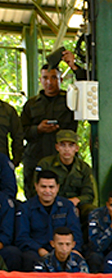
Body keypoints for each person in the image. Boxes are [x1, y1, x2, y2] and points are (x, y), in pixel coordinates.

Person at [20, 63, 76, 191]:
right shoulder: (31, 104)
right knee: (33, 194)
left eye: (54, 78)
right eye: (45, 78)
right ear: (40, 80)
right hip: (35, 157)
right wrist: (38, 129)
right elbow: (21, 131)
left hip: (62, 159)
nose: (49, 82)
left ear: (61, 80)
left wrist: (73, 65)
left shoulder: (71, 101)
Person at [15, 168, 83, 271]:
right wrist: (39, 249)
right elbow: (22, 237)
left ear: (57, 188)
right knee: (29, 258)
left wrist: (73, 250)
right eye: (43, 187)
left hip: (63, 249)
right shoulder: (25, 208)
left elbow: (75, 232)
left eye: (51, 187)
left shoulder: (67, 206)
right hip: (36, 251)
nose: (47, 191)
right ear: (36, 186)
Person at [35, 129, 98, 217]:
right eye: (63, 145)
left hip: (76, 204)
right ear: (57, 147)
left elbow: (89, 194)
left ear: (76, 148)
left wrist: (76, 200)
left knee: (92, 211)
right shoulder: (46, 164)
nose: (67, 149)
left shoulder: (83, 168)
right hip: (51, 202)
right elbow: (36, 189)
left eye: (71, 145)